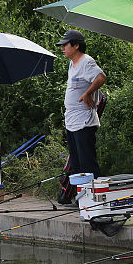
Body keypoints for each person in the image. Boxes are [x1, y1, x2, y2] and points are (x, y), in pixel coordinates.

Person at [58, 29, 106, 190]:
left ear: (76, 45)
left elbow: (101, 77)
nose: (62, 48)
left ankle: (95, 198)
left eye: (65, 45)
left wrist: (88, 93)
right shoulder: (72, 64)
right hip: (71, 120)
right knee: (77, 164)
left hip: (84, 121)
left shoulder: (86, 61)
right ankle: (82, 198)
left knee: (87, 163)